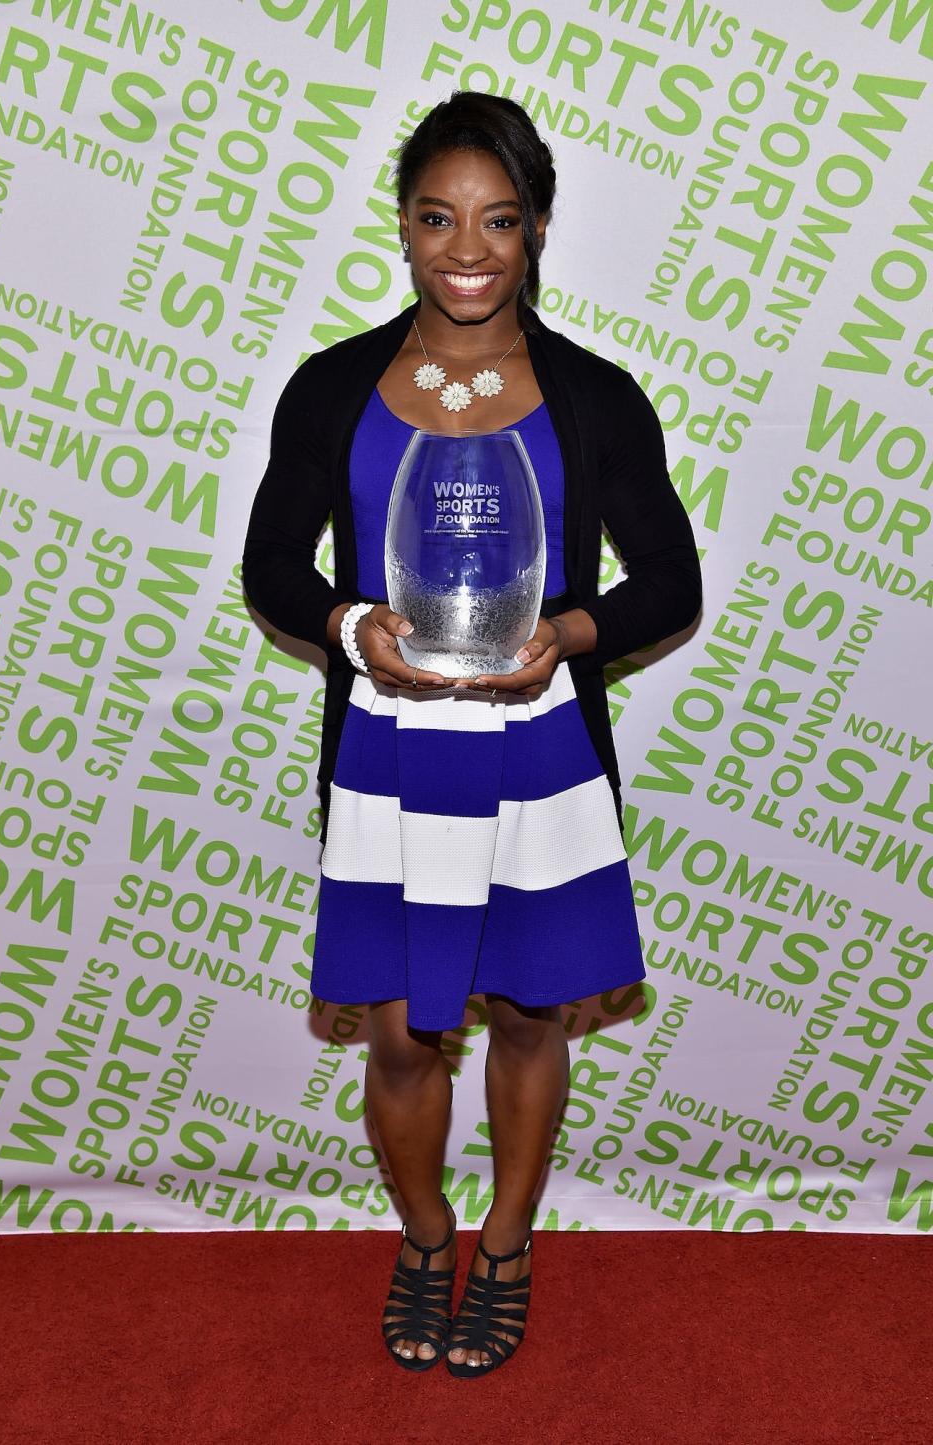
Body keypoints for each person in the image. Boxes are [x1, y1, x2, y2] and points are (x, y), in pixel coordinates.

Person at [242, 91, 701, 1378]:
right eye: (439, 215)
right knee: (398, 1027)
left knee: (532, 1012)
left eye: (498, 219)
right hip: (390, 753)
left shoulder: (597, 397)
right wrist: (346, 622)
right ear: (403, 223)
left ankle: (505, 1242)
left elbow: (671, 580)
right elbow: (271, 565)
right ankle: (427, 1233)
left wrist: (570, 632)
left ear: (538, 228)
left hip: (544, 751)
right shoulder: (335, 386)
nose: (467, 248)